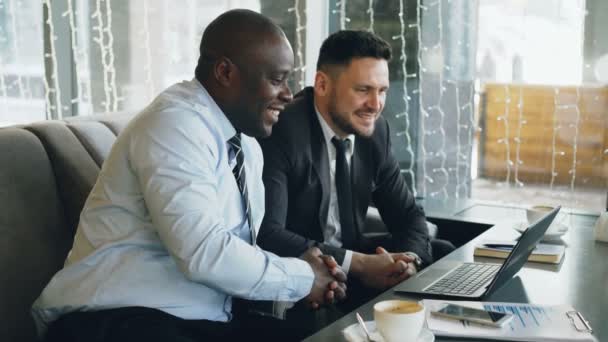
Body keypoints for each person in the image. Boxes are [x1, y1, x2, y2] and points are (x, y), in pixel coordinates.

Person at [31, 9, 346, 342]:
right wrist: (301, 277)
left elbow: (231, 253)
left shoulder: (245, 146)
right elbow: (204, 253)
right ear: (225, 71)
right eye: (277, 79)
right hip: (113, 320)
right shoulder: (174, 125)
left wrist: (305, 281)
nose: (289, 94)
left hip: (196, 319)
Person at [258, 30, 454, 315]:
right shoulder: (284, 130)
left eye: (382, 90)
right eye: (363, 90)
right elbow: (270, 234)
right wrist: (358, 265)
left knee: (442, 250)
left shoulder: (375, 132)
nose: (375, 105)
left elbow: (408, 215)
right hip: (308, 273)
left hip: (352, 259)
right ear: (322, 84)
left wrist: (408, 262)